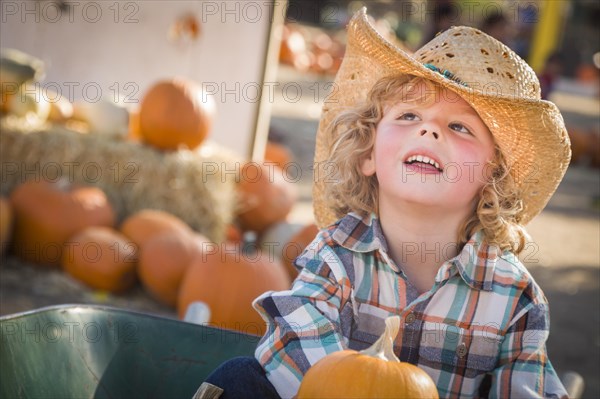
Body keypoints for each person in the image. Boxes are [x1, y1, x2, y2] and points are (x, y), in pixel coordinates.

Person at [198, 7, 571, 399]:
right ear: (368, 155)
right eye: (409, 115)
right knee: (238, 377)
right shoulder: (336, 253)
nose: (428, 129)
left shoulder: (513, 295)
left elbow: (529, 387)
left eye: (459, 126)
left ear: (493, 179)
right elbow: (293, 341)